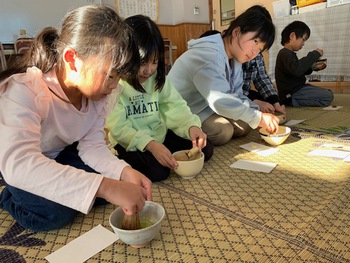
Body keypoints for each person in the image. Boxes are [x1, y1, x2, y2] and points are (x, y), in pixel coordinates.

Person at [0, 5, 152, 232]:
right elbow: (20, 164)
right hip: (22, 163)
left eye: (118, 78)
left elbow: (92, 147)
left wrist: (123, 172)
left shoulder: (97, 95)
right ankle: (8, 196)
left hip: (59, 154)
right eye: (110, 76)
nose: (114, 86)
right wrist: (105, 186)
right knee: (55, 212)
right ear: (72, 59)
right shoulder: (25, 89)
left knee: (106, 189)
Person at [106, 15, 213, 182]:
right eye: (142, 62)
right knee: (158, 171)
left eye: (154, 62)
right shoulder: (115, 84)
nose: (148, 70)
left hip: (158, 135)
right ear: (125, 55)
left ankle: (162, 150)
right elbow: (119, 128)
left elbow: (175, 106)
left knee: (205, 149)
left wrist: (191, 126)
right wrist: (150, 145)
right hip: (130, 141)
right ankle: (120, 160)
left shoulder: (157, 78)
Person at [168, 5, 280, 146]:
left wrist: (257, 112)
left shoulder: (235, 59)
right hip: (183, 109)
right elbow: (220, 100)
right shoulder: (208, 55)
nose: (254, 53)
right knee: (223, 131)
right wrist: (258, 118)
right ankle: (176, 134)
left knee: (245, 125)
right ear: (236, 32)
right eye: (255, 41)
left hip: (204, 107)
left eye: (259, 49)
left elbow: (236, 95)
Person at [275, 20, 334, 107]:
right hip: (292, 93)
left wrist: (313, 67)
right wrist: (314, 54)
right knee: (328, 96)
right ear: (292, 36)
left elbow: (299, 70)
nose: (303, 44)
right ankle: (291, 101)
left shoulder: (289, 53)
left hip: (299, 88)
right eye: (303, 40)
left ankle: (295, 100)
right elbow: (297, 70)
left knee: (328, 93)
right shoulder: (284, 53)